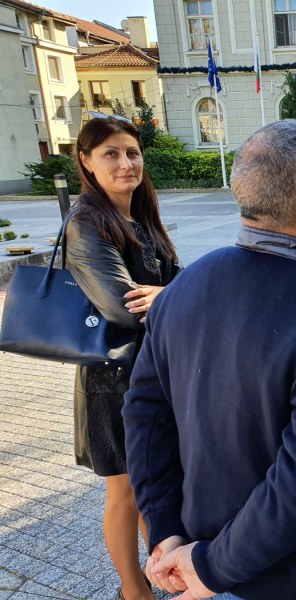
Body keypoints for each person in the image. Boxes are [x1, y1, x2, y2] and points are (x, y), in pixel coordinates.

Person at [122, 120, 296, 599]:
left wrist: (168, 534)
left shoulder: (182, 288)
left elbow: (145, 419)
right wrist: (207, 566)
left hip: (199, 550)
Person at [68, 116, 181, 600]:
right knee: (125, 491)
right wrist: (170, 295)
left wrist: (169, 294)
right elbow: (123, 304)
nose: (125, 162)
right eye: (111, 153)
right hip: (111, 378)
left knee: (151, 485)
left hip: (152, 371)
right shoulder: (86, 222)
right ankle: (133, 590)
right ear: (87, 162)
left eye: (131, 152)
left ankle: (160, 570)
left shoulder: (141, 217)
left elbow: (179, 281)